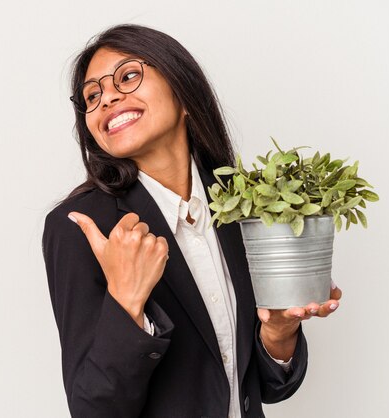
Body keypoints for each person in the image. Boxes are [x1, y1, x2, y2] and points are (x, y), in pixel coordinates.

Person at [42, 24, 342, 418]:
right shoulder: (81, 226)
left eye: (128, 76)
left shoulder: (243, 205)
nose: (107, 98)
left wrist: (279, 332)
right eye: (92, 96)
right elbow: (93, 409)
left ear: (184, 93)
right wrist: (126, 300)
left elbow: (264, 388)